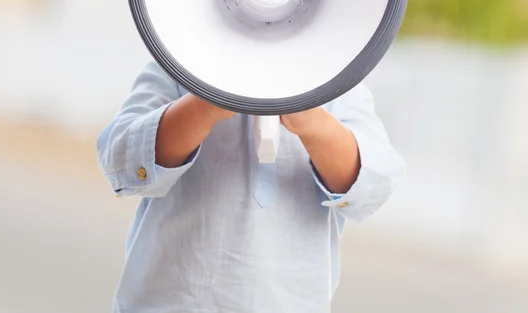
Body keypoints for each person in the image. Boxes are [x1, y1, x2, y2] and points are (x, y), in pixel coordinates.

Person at [97, 61, 406, 313]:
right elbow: (122, 159)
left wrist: (312, 120)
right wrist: (207, 103)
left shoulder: (337, 78)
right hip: (169, 303)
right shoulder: (178, 60)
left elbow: (373, 185)